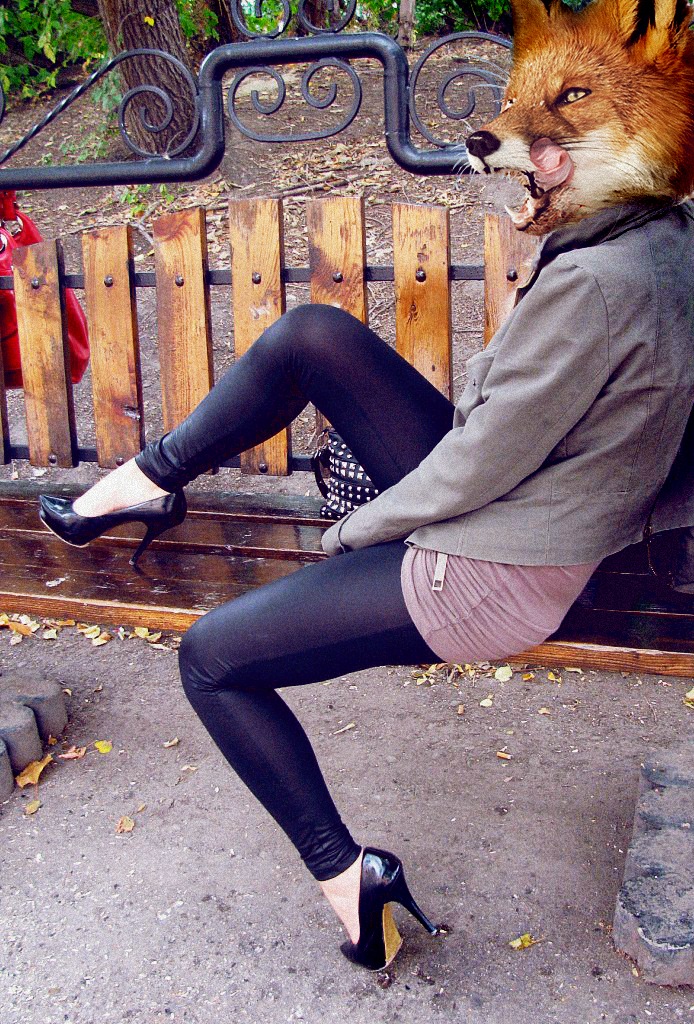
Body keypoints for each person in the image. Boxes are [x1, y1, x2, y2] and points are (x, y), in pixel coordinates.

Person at [38, 192, 694, 972]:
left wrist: (356, 531)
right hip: (538, 498)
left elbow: (481, 460)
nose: (520, 181)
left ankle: (350, 879)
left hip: (507, 563)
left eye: (543, 154)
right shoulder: (661, 233)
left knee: (210, 660)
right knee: (311, 337)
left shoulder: (595, 280)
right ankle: (147, 482)